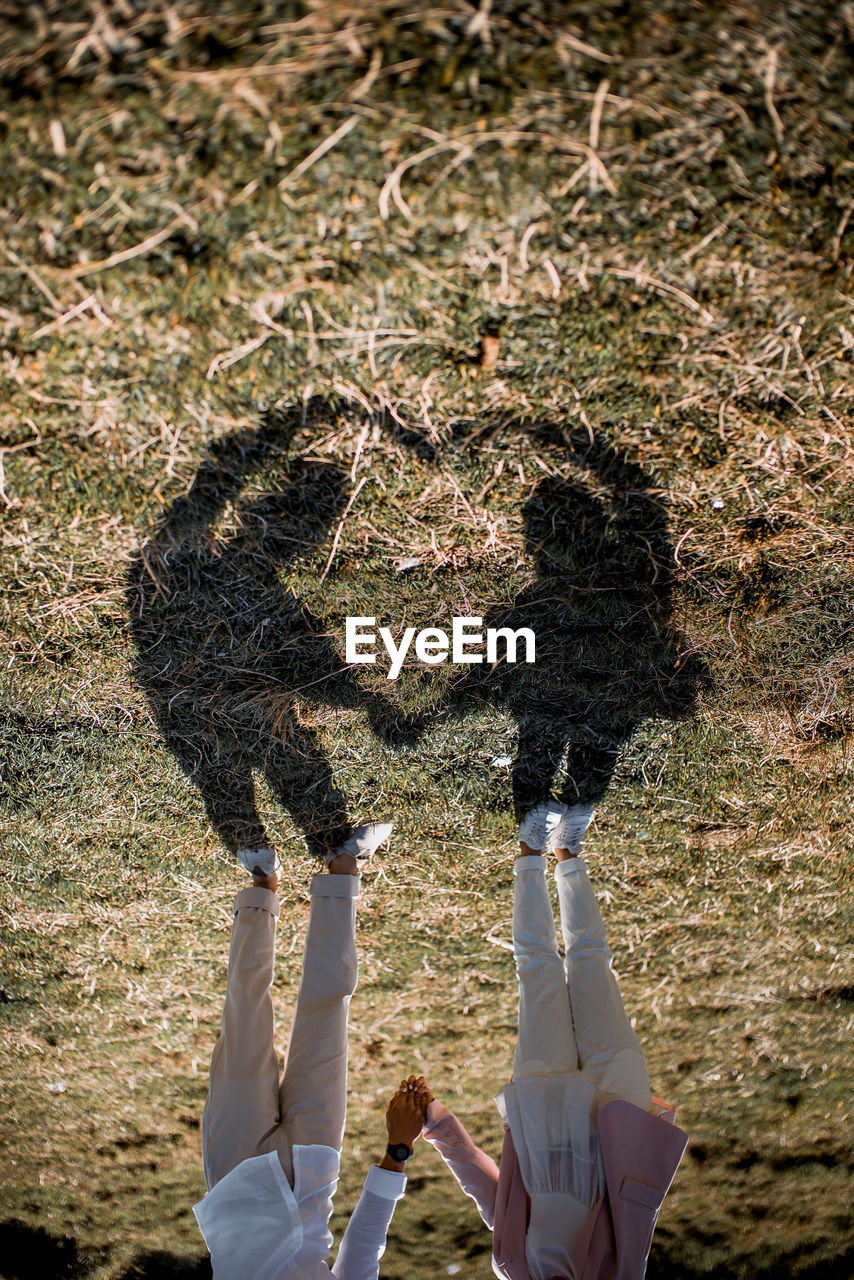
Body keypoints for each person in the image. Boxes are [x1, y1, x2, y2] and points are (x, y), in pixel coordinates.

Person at [420, 802, 688, 1280]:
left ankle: (529, 851)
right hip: (619, 1112)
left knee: (538, 973)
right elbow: (637, 1213)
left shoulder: (520, 1272)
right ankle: (568, 854)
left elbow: (492, 1200)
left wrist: (440, 1130)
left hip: (545, 1125)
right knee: (592, 969)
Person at [193, 825, 431, 1279]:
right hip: (313, 1171)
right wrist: (397, 1151)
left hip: (235, 1178)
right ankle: (343, 870)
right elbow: (362, 1252)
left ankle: (262, 886)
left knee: (245, 1019)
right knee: (328, 1012)